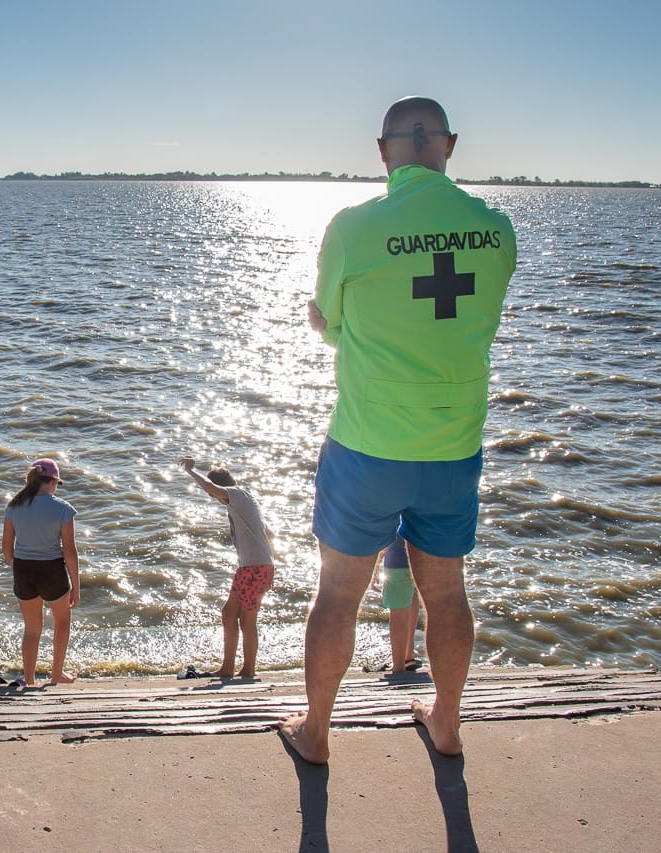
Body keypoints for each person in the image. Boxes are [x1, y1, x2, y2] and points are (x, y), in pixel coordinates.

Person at [280, 96, 517, 763]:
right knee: (446, 593)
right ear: (450, 147)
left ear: (382, 152)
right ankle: (445, 722)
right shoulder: (495, 229)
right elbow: (469, 320)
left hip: (366, 444)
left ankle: (316, 732)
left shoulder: (353, 228)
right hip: (451, 445)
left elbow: (327, 321)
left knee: (338, 591)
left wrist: (340, 327)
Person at [179, 456, 275, 678]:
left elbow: (209, 486)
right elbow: (269, 534)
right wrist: (270, 563)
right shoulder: (246, 501)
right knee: (229, 613)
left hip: (254, 567)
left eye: (214, 496)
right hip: (253, 567)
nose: (214, 498)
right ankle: (228, 667)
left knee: (247, 620)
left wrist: (191, 471)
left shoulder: (237, 495)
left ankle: (248, 669)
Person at [2, 458, 80, 686]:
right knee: (62, 621)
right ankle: (56, 674)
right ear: (53, 481)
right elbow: (70, 552)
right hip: (51, 569)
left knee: (32, 629)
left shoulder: (14, 507)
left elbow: (7, 549)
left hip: (24, 569)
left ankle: (29, 679)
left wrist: (19, 567)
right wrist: (76, 586)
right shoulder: (63, 509)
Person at [372, 532, 422, 673]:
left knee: (398, 613)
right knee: (412, 597)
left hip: (398, 563)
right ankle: (408, 655)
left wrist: (375, 565)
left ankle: (399, 666)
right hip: (421, 560)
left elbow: (385, 533)